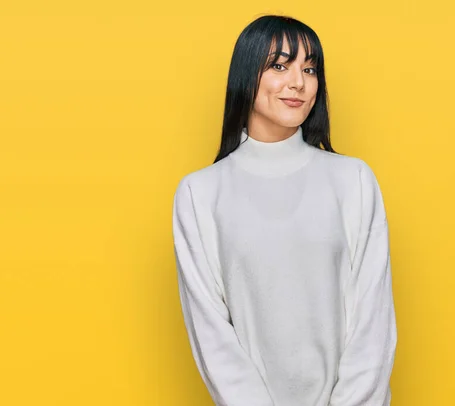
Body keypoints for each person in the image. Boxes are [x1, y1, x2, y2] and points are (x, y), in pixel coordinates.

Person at [172, 14, 397, 406]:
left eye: (309, 69)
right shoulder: (200, 193)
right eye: (280, 65)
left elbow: (373, 322)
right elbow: (211, 335)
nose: (298, 82)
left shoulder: (353, 180)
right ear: (247, 75)